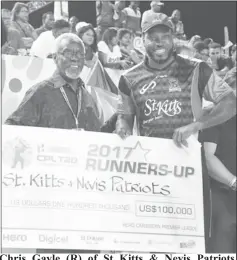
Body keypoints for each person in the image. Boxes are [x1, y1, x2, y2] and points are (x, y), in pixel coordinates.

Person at [114, 14, 236, 251]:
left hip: (190, 170)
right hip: (149, 172)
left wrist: (196, 126)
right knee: (153, 239)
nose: (159, 42)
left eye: (165, 36)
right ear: (142, 40)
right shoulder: (128, 78)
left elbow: (230, 103)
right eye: (153, 37)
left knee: (189, 239)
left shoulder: (197, 69)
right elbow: (125, 115)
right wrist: (122, 126)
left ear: (173, 39)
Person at [6, 33, 101, 132]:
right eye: (68, 53)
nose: (75, 58)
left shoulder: (87, 96)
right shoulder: (40, 92)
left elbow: (99, 135)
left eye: (80, 54)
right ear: (55, 58)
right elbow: (12, 128)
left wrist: (117, 117)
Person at [200, 71, 236, 253]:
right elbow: (208, 157)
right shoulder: (215, 117)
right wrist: (234, 182)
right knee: (223, 249)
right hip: (222, 196)